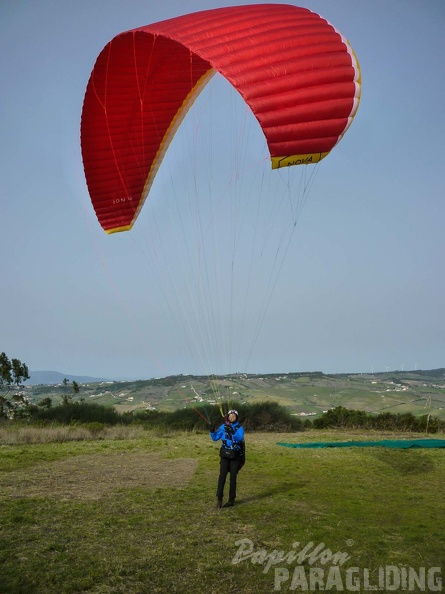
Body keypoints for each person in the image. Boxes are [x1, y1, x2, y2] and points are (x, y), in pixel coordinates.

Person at [210, 409, 245, 509]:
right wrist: (212, 431)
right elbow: (215, 438)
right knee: (222, 476)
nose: (232, 417)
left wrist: (232, 432)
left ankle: (231, 500)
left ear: (236, 417)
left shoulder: (239, 428)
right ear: (228, 417)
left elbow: (239, 438)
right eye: (230, 415)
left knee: (233, 477)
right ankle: (219, 499)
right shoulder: (223, 427)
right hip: (225, 454)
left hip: (235, 455)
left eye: (234, 416)